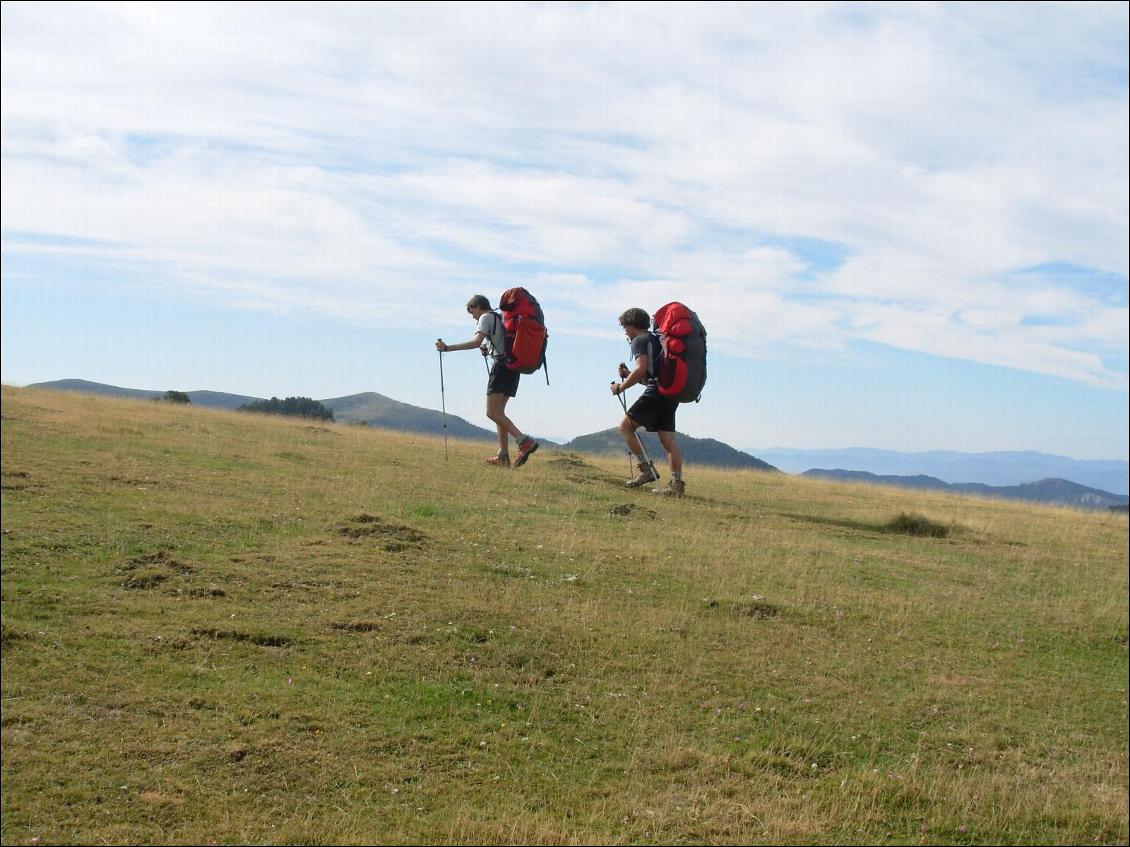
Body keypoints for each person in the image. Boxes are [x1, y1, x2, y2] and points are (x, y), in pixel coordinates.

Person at [435, 295, 540, 468]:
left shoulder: (485, 317)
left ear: (477, 306)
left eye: (472, 312)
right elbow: (500, 342)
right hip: (513, 368)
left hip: (500, 368)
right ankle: (503, 457)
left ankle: (523, 441)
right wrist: (489, 348)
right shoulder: (499, 318)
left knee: (492, 413)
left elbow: (476, 342)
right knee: (500, 413)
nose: (473, 317)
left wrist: (447, 348)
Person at [610, 307, 685, 497]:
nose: (624, 331)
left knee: (625, 427)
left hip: (656, 392)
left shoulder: (640, 340)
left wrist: (621, 387)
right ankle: (677, 484)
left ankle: (646, 470)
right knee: (668, 440)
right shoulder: (657, 340)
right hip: (670, 393)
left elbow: (641, 369)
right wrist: (629, 375)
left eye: (625, 326)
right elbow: (651, 373)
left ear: (632, 325)